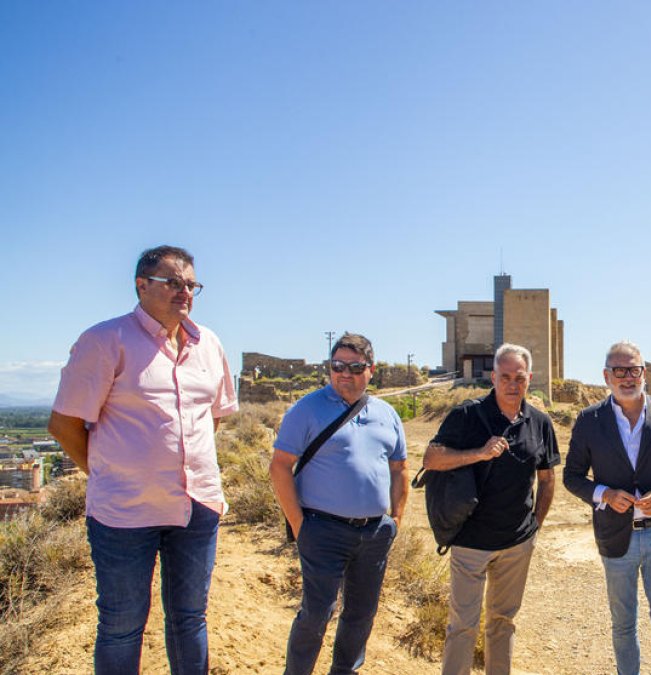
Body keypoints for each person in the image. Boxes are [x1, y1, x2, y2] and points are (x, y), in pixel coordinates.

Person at [48, 245, 238, 675]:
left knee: (190, 620)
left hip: (196, 507)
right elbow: (63, 425)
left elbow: (214, 418)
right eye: (172, 282)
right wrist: (109, 472)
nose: (183, 292)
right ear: (140, 285)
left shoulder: (209, 344)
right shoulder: (104, 340)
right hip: (124, 512)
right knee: (121, 625)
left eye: (191, 284)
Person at [269, 332, 409, 675]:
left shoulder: (386, 413)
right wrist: (300, 525)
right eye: (337, 366)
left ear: (370, 369)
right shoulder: (307, 409)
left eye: (354, 366)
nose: (344, 373)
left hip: (375, 533)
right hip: (322, 530)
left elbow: (400, 468)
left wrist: (396, 520)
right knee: (317, 613)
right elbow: (280, 467)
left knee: (361, 614)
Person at [563, 341, 651, 675]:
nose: (628, 377)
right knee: (623, 626)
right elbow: (572, 476)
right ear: (606, 376)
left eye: (634, 370)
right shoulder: (589, 420)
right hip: (615, 537)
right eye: (620, 371)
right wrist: (605, 494)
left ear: (644, 373)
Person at [424, 343, 559, 675]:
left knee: (502, 623)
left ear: (529, 379)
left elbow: (547, 477)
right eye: (506, 377)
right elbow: (431, 459)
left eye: (520, 378)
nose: (513, 385)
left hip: (516, 544)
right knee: (462, 625)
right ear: (493, 377)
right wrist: (479, 453)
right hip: (471, 542)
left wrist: (533, 529)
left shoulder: (539, 422)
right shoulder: (467, 415)